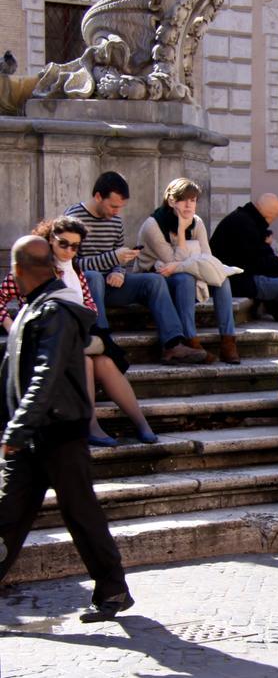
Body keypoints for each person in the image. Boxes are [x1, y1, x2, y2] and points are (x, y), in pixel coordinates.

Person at [0, 235, 134, 622]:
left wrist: (17, 427)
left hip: (57, 431)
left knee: (80, 512)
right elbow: (14, 372)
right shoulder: (36, 307)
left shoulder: (55, 311)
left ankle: (113, 589)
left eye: (14, 269)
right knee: (8, 514)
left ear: (22, 270)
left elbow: (46, 373)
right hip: (36, 431)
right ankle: (113, 589)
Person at [0, 218, 157, 447]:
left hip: (77, 334)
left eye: (75, 247)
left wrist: (80, 319)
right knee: (86, 361)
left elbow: (91, 305)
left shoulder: (75, 269)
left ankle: (141, 423)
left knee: (104, 362)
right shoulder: (36, 270)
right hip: (49, 339)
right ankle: (91, 426)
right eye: (63, 244)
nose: (69, 251)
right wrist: (10, 325)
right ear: (50, 241)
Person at [65, 171, 208, 365]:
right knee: (93, 276)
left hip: (111, 286)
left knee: (154, 281)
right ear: (98, 197)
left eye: (121, 207)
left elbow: (120, 259)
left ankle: (173, 344)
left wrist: (118, 271)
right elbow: (71, 265)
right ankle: (102, 338)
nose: (117, 211)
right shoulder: (73, 218)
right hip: (85, 288)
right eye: (113, 206)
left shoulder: (115, 221)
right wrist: (112, 259)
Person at [137, 179, 240, 364]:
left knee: (222, 279)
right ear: (171, 201)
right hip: (156, 280)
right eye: (183, 200)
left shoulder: (197, 222)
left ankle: (228, 340)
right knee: (185, 278)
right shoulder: (153, 225)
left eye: (193, 200)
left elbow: (208, 259)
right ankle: (191, 340)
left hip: (181, 272)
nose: (189, 205)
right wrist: (182, 232)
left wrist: (180, 265)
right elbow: (171, 261)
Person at [210, 193, 278, 323]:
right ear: (269, 217)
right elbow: (255, 263)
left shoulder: (244, 218)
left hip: (239, 277)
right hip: (237, 281)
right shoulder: (247, 225)